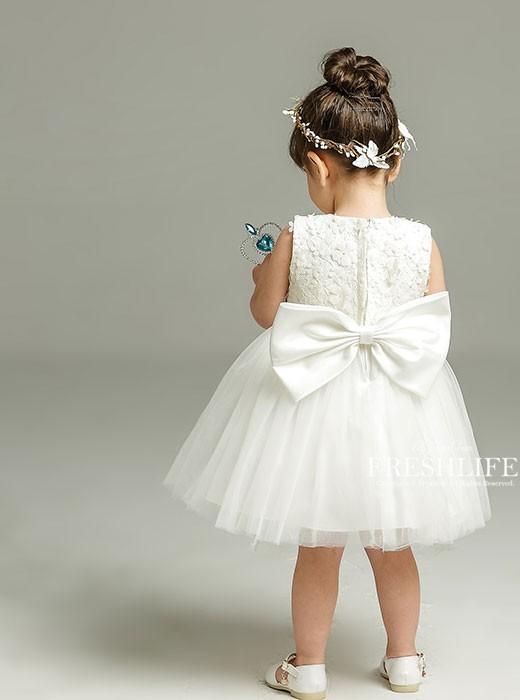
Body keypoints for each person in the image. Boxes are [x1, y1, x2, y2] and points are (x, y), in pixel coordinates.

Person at [163, 46, 491, 699]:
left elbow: (267, 316)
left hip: (311, 399)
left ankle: (308, 667)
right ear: (395, 162)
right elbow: (431, 328)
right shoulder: (422, 240)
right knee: (392, 543)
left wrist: (263, 276)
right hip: (399, 404)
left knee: (318, 543)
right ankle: (403, 660)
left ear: (316, 165)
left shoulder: (298, 236)